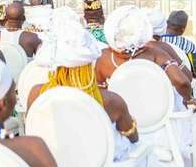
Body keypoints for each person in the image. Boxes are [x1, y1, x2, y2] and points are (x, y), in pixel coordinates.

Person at [27, 20, 138, 162]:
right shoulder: (110, 100)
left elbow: (32, 133)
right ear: (89, 65)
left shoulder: (36, 94)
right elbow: (133, 137)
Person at [95, 6, 196, 110]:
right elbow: (182, 81)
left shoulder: (103, 56)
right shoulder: (155, 53)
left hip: (120, 119)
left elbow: (98, 90)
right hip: (156, 118)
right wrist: (188, 98)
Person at [161, 10, 196, 75]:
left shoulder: (156, 42)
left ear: (167, 24)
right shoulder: (190, 46)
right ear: (183, 29)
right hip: (184, 82)